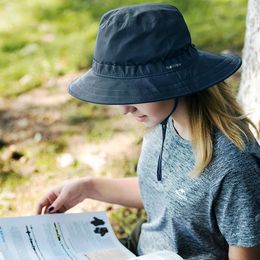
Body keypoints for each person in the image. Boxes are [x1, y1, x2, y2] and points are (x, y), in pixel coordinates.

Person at [36, 3, 260, 260]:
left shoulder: (232, 167)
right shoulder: (162, 121)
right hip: (141, 248)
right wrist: (87, 187)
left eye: (135, 92)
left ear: (172, 81)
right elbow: (165, 194)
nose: (125, 109)